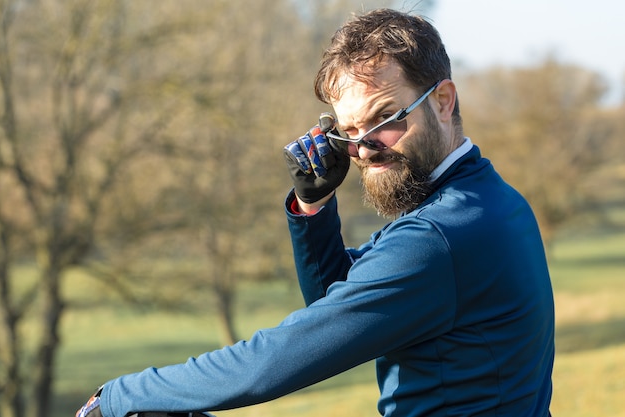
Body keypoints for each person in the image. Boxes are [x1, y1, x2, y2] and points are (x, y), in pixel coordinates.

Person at [76, 8, 554, 417]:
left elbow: (270, 365)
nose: (364, 149)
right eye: (348, 132)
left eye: (385, 119)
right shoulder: (492, 200)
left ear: (443, 101)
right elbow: (341, 305)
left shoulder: (437, 238)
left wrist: (120, 396)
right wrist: (313, 206)